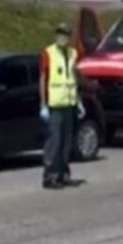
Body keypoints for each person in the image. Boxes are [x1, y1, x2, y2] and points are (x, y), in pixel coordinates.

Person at [39, 23, 86, 190]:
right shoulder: (48, 53)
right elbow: (43, 79)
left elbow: (73, 77)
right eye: (59, 34)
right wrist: (43, 104)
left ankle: (63, 174)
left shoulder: (73, 53)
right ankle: (49, 176)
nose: (62, 37)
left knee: (67, 142)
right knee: (54, 141)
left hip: (69, 103)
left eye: (65, 34)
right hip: (55, 105)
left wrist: (79, 101)